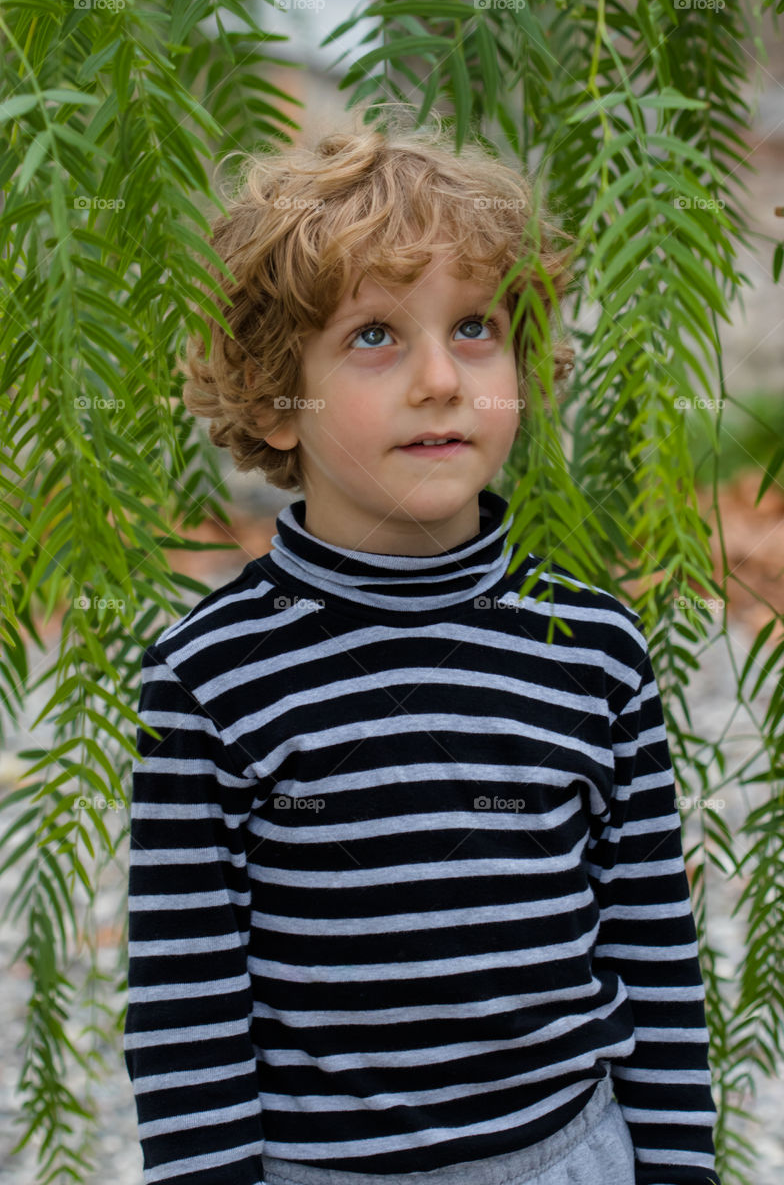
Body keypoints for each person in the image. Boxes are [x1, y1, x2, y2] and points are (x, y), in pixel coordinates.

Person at [124, 115, 721, 1185]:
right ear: (272, 398)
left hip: (572, 1155)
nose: (441, 379)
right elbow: (187, 1016)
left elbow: (652, 952)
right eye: (375, 336)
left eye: (477, 328)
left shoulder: (591, 649)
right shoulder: (207, 682)